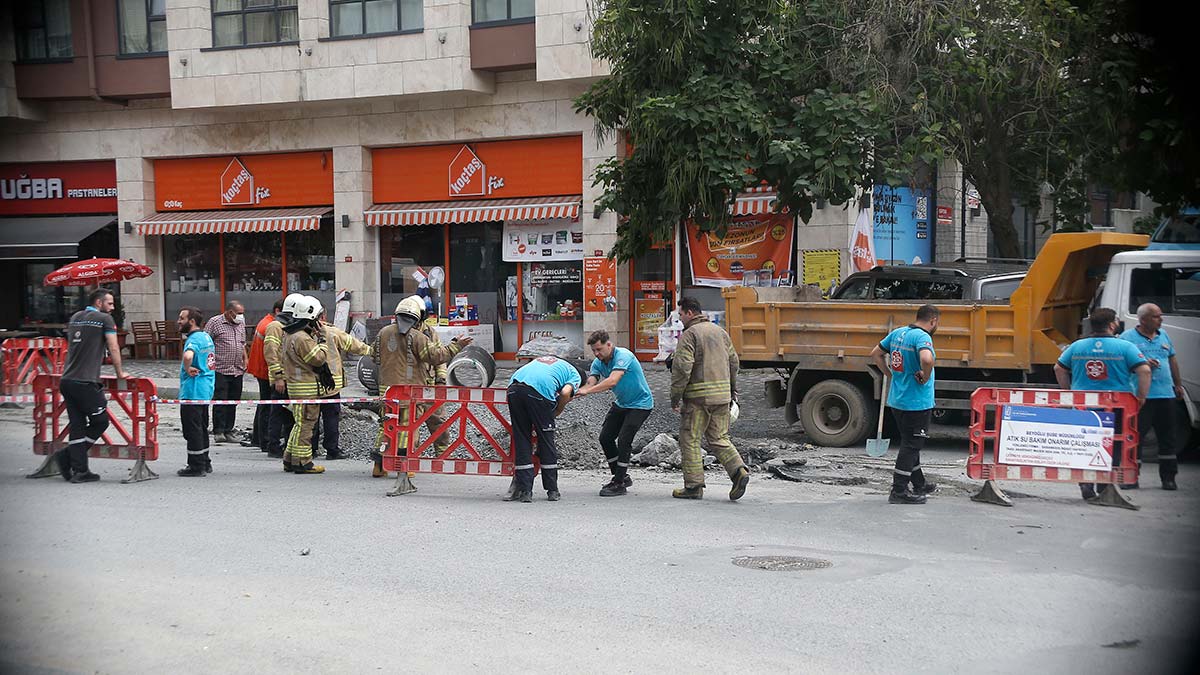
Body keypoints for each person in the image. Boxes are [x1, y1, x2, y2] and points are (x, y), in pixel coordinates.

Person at [370, 295, 472, 485]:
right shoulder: (417, 336)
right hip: (410, 391)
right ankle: (405, 466)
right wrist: (457, 345)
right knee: (408, 429)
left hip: (387, 391)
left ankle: (379, 465)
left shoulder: (383, 332)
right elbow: (436, 356)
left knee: (387, 426)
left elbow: (374, 356)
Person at [1055, 307, 1152, 500]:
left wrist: (1068, 393)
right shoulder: (1125, 347)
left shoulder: (1077, 346)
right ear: (1111, 324)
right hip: (1117, 407)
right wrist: (1141, 397)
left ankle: (1086, 483)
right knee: (1113, 444)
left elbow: (1059, 368)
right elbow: (1145, 371)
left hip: (1084, 407)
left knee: (1086, 445)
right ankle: (1105, 484)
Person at [670, 297, 749, 501]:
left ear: (689, 312)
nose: (680, 319)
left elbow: (682, 368)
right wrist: (732, 391)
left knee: (690, 438)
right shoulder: (720, 332)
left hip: (698, 399)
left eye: (681, 314)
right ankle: (738, 471)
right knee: (719, 437)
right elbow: (734, 362)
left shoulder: (690, 334)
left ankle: (694, 486)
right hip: (722, 397)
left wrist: (675, 397)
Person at [52, 288, 129, 483]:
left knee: (77, 425)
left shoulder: (76, 316)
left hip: (67, 380)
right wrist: (120, 373)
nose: (112, 308)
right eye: (109, 303)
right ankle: (68, 457)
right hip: (85, 381)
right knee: (100, 421)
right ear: (98, 302)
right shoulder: (104, 319)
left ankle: (80, 470)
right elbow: (113, 346)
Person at [869, 304, 941, 505]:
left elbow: (875, 353)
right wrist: (925, 377)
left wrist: (889, 374)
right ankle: (899, 491)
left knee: (910, 442)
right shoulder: (922, 337)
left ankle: (919, 483)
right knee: (911, 445)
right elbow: (926, 359)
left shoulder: (898, 333)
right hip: (916, 403)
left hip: (897, 400)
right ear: (933, 320)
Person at [575, 330, 654, 496]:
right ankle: (621, 476)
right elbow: (592, 379)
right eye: (594, 350)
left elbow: (612, 381)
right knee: (605, 438)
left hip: (640, 404)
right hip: (622, 403)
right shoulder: (598, 362)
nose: (597, 354)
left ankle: (619, 483)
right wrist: (582, 389)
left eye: (599, 349)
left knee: (624, 439)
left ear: (609, 345)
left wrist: (588, 392)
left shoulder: (623, 355)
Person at [1120, 303, 1184, 490]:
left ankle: (1168, 478)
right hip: (1141, 397)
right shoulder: (1127, 338)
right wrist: (1142, 363)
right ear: (1143, 319)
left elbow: (1172, 359)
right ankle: (1132, 477)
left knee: (1168, 437)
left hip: (1165, 394)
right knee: (1135, 437)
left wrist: (1177, 384)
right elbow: (1122, 364)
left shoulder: (1163, 335)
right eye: (1156, 316)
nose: (1161, 319)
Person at [506, 355, 580, 503]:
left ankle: (525, 491)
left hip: (513, 389)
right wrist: (557, 411)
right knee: (546, 440)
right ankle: (552, 490)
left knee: (522, 440)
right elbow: (565, 393)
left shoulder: (546, 360)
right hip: (538, 393)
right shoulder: (574, 374)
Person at [309, 304, 371, 460]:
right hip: (331, 385)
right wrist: (372, 352)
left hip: (310, 384)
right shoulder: (332, 332)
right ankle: (332, 450)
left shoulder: (304, 334)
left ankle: (311, 448)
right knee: (331, 417)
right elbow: (354, 345)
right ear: (322, 316)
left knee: (311, 418)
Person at [280, 296, 334, 474]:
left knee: (299, 424)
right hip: (307, 389)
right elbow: (318, 359)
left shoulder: (290, 334)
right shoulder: (303, 338)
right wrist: (323, 340)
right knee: (306, 426)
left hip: (296, 388)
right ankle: (304, 462)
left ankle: (290, 459)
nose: (320, 322)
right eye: (318, 318)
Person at [264, 293, 306, 460]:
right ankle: (273, 446)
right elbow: (271, 353)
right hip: (281, 379)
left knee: (290, 416)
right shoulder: (275, 326)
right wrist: (278, 377)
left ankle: (288, 445)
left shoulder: (291, 325)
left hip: (292, 379)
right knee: (277, 415)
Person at [176, 307, 215, 477]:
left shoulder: (193, 340)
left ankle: (196, 466)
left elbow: (188, 356)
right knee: (202, 427)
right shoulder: (206, 337)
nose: (178, 321)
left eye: (181, 318)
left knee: (192, 430)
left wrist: (187, 367)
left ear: (191, 321)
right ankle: (205, 462)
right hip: (205, 390)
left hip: (193, 391)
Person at [204, 300, 247, 444]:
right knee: (221, 400)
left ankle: (229, 429)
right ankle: (219, 430)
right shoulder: (215, 322)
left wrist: (245, 358)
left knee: (233, 401)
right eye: (239, 313)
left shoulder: (241, 323)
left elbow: (242, 343)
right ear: (230, 312)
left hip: (237, 369)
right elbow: (205, 343)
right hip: (221, 369)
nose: (241, 316)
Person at [245, 299, 284, 452]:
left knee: (264, 405)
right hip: (265, 370)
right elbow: (271, 352)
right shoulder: (271, 325)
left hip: (261, 368)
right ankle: (264, 440)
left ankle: (258, 438)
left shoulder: (266, 321)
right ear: (277, 311)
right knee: (267, 406)